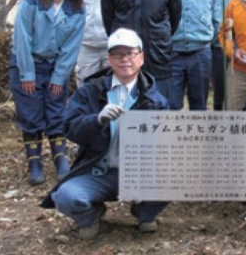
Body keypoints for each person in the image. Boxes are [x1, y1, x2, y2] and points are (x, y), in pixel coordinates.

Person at [41, 28, 169, 239]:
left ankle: (145, 212)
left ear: (142, 58)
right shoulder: (90, 91)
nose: (125, 59)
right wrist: (97, 120)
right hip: (96, 171)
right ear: (109, 59)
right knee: (65, 197)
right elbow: (70, 128)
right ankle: (90, 214)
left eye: (131, 53)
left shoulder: (155, 99)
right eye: (118, 54)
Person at [10, 0, 85, 185]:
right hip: (27, 64)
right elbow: (21, 39)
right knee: (31, 114)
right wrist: (27, 74)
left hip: (55, 67)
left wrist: (59, 76)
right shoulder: (31, 3)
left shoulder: (76, 9)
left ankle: (60, 158)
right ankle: (34, 162)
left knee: (56, 111)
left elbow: (72, 47)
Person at [170, 0, 222, 110]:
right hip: (173, 52)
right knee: (171, 104)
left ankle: (199, 135)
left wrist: (207, 39)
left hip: (201, 52)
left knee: (199, 103)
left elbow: (217, 20)